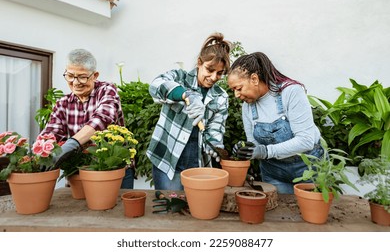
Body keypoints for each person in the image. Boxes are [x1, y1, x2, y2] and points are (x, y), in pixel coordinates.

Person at [227, 52, 323, 194]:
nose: (236, 95)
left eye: (239, 88)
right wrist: (246, 149)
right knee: (278, 213)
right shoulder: (247, 106)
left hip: (307, 169)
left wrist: (266, 151)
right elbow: (255, 145)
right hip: (273, 173)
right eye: (233, 90)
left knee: (310, 214)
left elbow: (306, 141)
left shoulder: (291, 92)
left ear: (254, 79)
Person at [147, 33, 231, 190]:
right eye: (210, 69)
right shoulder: (179, 78)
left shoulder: (221, 97)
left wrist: (214, 145)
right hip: (167, 158)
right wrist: (186, 94)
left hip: (197, 163)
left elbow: (215, 129)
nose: (213, 77)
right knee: (171, 208)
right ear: (199, 62)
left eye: (219, 73)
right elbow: (155, 86)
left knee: (196, 208)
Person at [40, 48, 134, 188]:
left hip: (115, 170)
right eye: (70, 76)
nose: (75, 82)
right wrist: (40, 152)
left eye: (82, 76)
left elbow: (102, 119)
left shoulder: (107, 90)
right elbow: (51, 133)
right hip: (78, 173)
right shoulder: (62, 104)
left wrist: (71, 144)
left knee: (118, 208)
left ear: (95, 75)